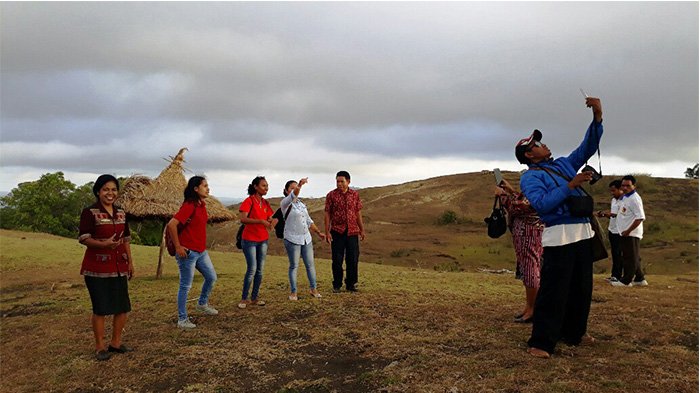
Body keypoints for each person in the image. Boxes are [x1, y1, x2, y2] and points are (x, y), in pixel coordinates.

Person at [515, 96, 603, 359]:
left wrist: (597, 117)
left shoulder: (563, 164)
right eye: (537, 144)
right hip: (559, 237)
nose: (544, 144)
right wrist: (571, 185)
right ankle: (541, 342)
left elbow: (586, 147)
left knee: (581, 288)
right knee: (554, 290)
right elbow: (542, 205)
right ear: (530, 154)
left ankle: (575, 332)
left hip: (583, 232)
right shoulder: (530, 177)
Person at [79, 174, 134, 361]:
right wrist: (104, 245)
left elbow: (126, 240)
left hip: (119, 265)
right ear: (98, 192)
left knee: (122, 307)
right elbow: (84, 237)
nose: (110, 193)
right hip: (96, 268)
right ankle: (100, 346)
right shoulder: (90, 212)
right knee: (101, 308)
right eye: (106, 189)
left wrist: (130, 263)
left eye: (113, 189)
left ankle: (116, 343)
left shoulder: (121, 213)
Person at [167, 176, 219, 330]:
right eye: (204, 186)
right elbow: (172, 224)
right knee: (185, 286)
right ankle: (182, 319)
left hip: (201, 251)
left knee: (211, 277)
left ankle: (202, 303)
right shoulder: (189, 205)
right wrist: (178, 247)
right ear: (196, 189)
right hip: (188, 252)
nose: (207, 188)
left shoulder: (201, 205)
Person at [495, 179, 543, 324]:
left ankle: (532, 309)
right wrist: (510, 191)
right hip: (527, 235)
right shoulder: (535, 193)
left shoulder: (536, 195)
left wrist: (503, 196)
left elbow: (518, 206)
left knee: (530, 270)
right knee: (530, 268)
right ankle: (529, 306)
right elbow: (521, 199)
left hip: (528, 235)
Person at [278, 178, 327, 300]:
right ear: (286, 191)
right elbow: (294, 194)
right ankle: (293, 292)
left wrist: (318, 232)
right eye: (292, 188)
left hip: (306, 238)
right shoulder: (285, 203)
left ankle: (313, 288)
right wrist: (299, 185)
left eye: (296, 187)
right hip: (292, 238)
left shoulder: (301, 204)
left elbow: (309, 221)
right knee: (294, 265)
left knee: (310, 265)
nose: (295, 190)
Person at [238, 176, 277, 308]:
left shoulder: (265, 203)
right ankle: (244, 299)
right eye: (263, 185)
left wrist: (272, 222)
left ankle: (254, 298)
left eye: (267, 186)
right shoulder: (249, 201)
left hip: (263, 240)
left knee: (259, 270)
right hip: (249, 240)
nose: (266, 188)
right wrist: (260, 221)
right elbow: (243, 219)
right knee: (252, 269)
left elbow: (270, 218)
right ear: (255, 187)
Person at [324, 171, 365, 292]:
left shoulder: (354, 195)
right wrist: (327, 231)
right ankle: (337, 284)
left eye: (342, 181)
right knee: (337, 259)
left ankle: (351, 284)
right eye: (337, 181)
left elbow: (358, 212)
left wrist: (361, 229)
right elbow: (327, 213)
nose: (339, 184)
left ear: (348, 181)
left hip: (352, 231)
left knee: (352, 259)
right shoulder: (331, 195)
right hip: (337, 231)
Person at [614, 175, 647, 287]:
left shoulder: (634, 199)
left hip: (631, 233)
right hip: (624, 232)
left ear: (634, 186)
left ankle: (626, 280)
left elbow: (640, 217)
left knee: (629, 258)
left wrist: (628, 231)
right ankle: (640, 278)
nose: (625, 187)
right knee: (633, 256)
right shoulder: (625, 197)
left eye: (628, 185)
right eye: (623, 185)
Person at [596, 180, 624, 282]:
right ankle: (614, 275)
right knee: (614, 253)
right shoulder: (614, 200)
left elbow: (619, 215)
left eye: (614, 190)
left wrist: (606, 214)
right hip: (612, 229)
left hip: (620, 231)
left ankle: (619, 276)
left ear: (620, 189)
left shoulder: (625, 201)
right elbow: (613, 215)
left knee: (619, 254)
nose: (612, 193)